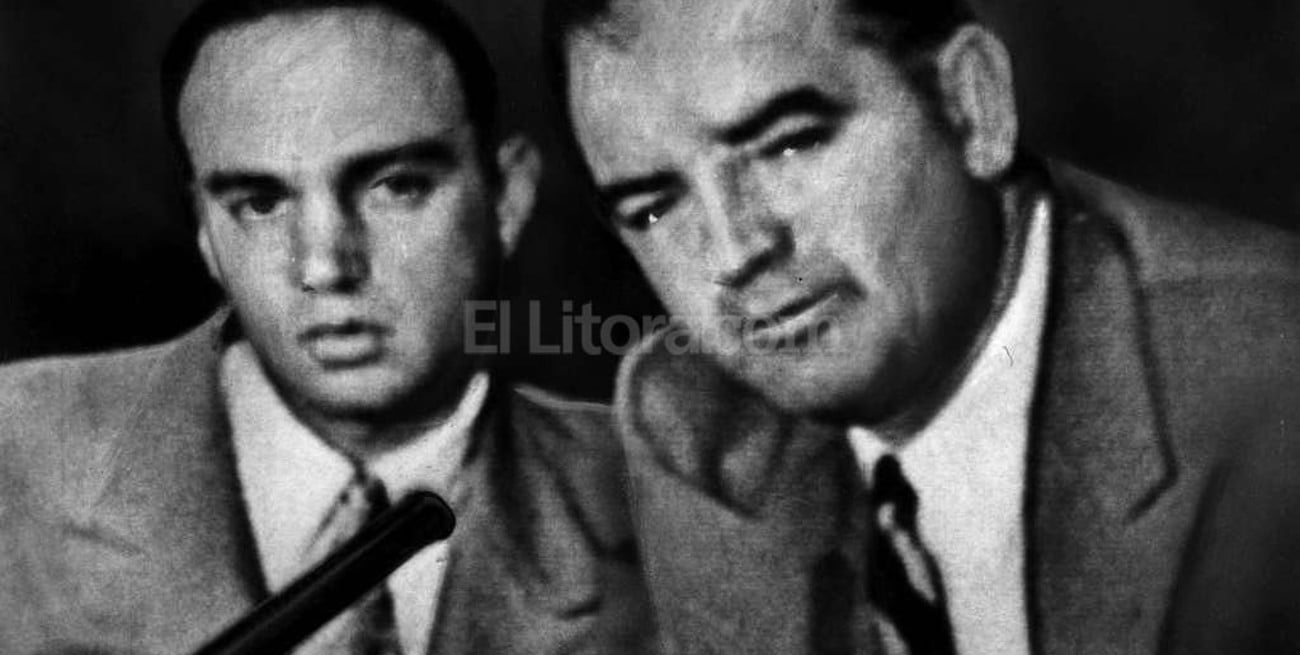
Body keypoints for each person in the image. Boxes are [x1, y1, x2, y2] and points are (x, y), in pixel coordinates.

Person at [543, 0, 1300, 653]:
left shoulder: (1271, 375)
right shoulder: (696, 426)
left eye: (790, 142)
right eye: (654, 208)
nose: (736, 251)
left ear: (973, 105)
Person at [0, 0, 655, 652]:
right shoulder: (15, 450)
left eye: (398, 186)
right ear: (204, 229)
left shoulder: (663, 492)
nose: (325, 266)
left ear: (506, 197)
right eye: (260, 203)